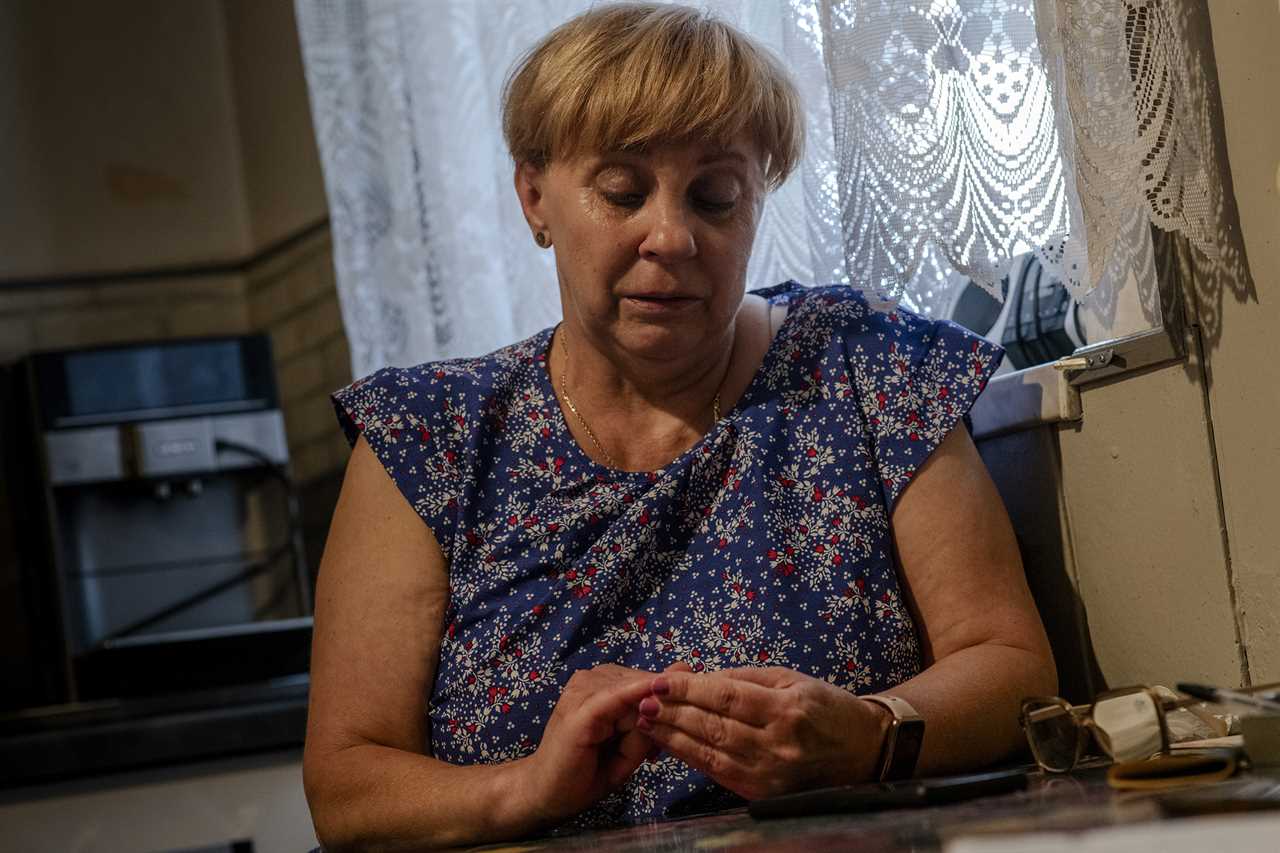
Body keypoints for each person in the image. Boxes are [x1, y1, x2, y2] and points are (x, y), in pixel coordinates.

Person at [302, 3, 1056, 849]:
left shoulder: (861, 365)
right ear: (534, 199)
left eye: (715, 197)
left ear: (757, 203)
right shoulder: (429, 436)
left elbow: (1011, 663)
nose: (671, 236)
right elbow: (347, 787)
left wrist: (875, 732)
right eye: (622, 191)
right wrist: (526, 788)